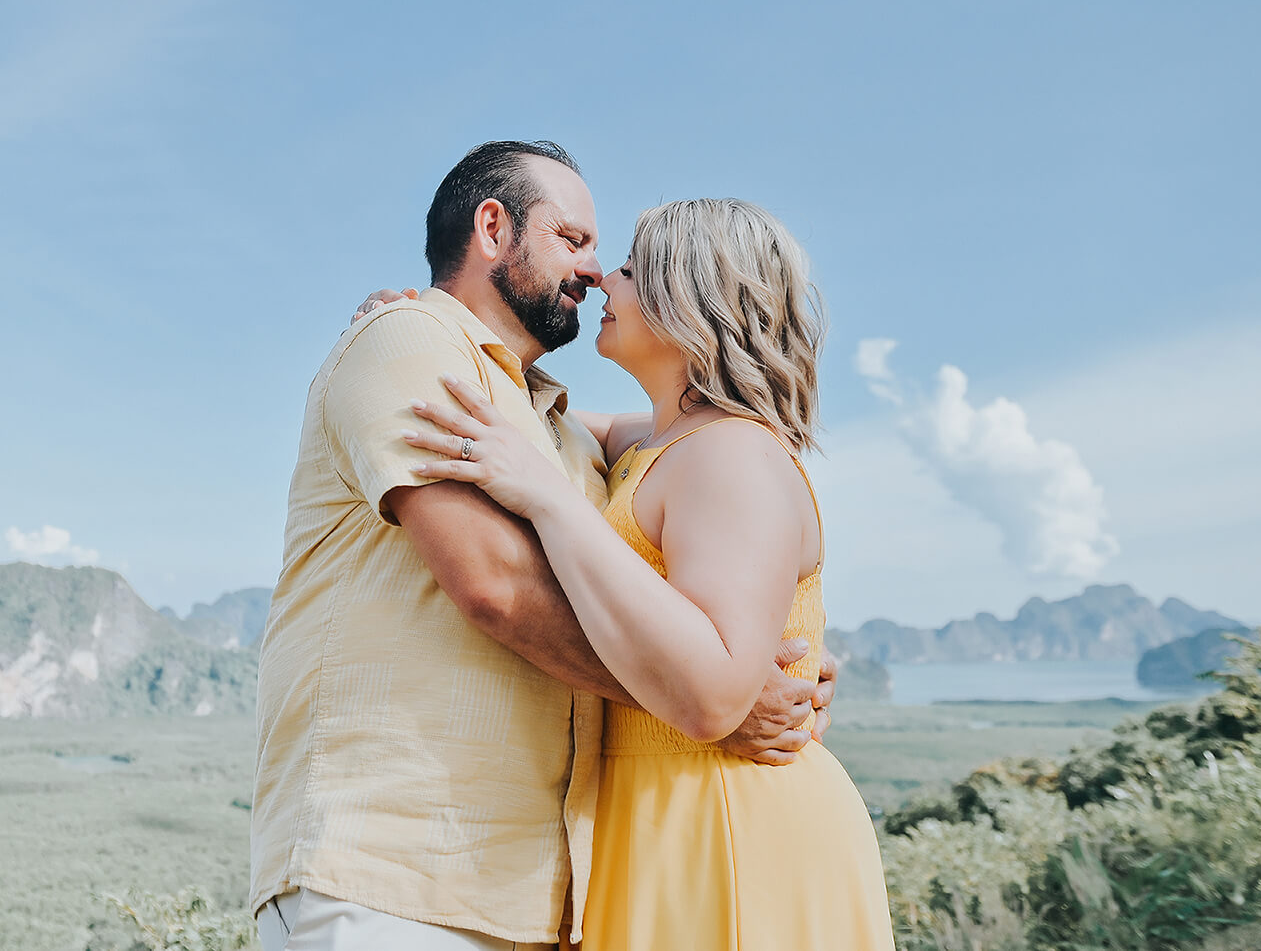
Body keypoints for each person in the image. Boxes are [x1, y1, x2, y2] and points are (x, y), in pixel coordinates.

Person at [250, 143, 838, 951]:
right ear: (493, 228)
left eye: (615, 258)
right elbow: (496, 582)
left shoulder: (557, 430)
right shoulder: (414, 348)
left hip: (542, 898)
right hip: (396, 879)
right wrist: (713, 705)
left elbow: (702, 465)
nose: (596, 273)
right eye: (575, 240)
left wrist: (777, 663)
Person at [404, 197, 895, 950]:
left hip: (727, 820)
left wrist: (544, 496)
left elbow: (713, 699)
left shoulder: (732, 455)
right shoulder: (658, 442)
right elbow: (561, 424)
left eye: (630, 269)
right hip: (655, 812)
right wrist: (429, 326)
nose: (603, 280)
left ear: (685, 302)